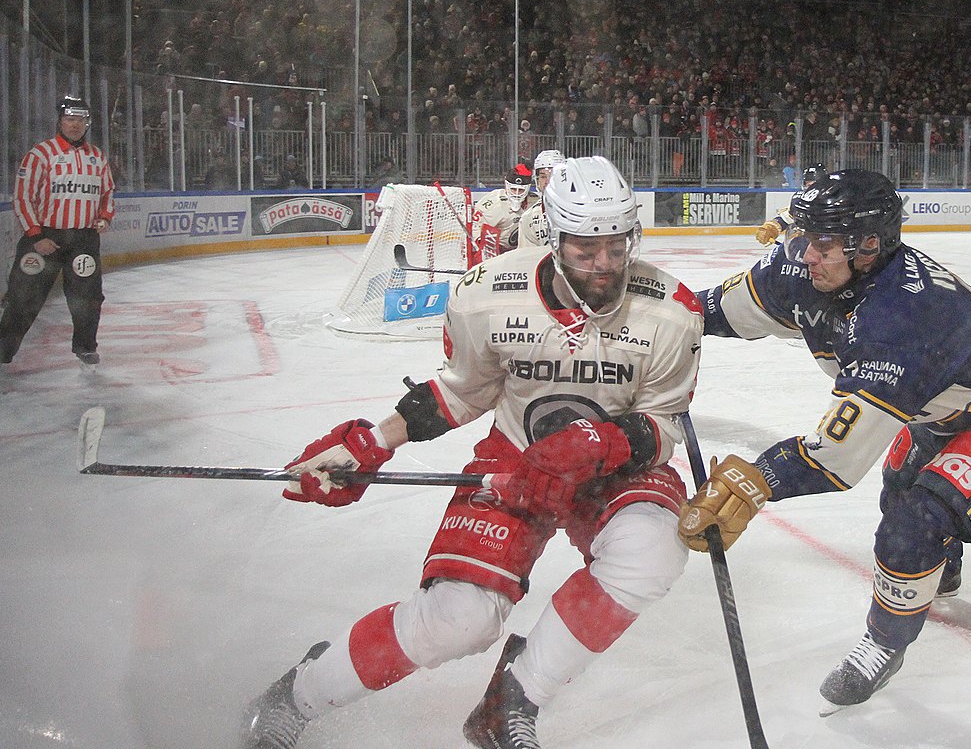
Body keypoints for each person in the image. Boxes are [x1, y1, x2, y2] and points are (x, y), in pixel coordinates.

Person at [241, 156, 704, 749]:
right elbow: (463, 392)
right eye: (586, 250)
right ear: (553, 235)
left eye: (616, 247)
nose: (605, 266)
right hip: (517, 459)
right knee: (457, 620)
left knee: (654, 551)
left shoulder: (672, 309)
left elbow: (665, 423)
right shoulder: (487, 294)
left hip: (614, 466)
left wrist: (603, 440)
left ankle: (512, 700)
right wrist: (372, 443)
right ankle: (298, 693)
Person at [678, 168, 971, 714]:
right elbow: (710, 311)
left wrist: (756, 479)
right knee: (900, 483)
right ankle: (942, 568)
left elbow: (835, 459)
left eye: (823, 242)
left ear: (868, 245)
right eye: (804, 235)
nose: (805, 255)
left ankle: (885, 642)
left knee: (912, 524)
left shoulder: (902, 324)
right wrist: (652, 321)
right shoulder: (805, 263)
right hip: (946, 396)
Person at [1, 96, 116, 365]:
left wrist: (104, 217)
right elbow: (22, 197)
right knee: (23, 297)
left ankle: (85, 346)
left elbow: (108, 192)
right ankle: (3, 349)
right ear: (60, 121)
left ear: (87, 123)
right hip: (44, 238)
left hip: (83, 240)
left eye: (80, 120)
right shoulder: (40, 154)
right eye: (69, 119)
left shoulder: (97, 157)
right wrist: (36, 235)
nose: (74, 125)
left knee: (88, 298)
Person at [471, 163, 537, 261]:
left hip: (523, 252)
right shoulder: (493, 204)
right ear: (506, 186)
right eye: (513, 189)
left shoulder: (535, 202)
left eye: (521, 190)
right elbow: (476, 231)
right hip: (497, 253)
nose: (517, 194)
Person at [753, 161, 829, 245]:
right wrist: (771, 228)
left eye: (814, 185)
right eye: (808, 185)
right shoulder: (800, 200)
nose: (810, 189)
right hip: (807, 247)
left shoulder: (836, 201)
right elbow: (786, 218)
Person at [515, 149, 564, 250]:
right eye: (543, 176)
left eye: (553, 176)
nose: (547, 181)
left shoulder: (581, 209)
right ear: (536, 179)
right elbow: (526, 258)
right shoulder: (528, 218)